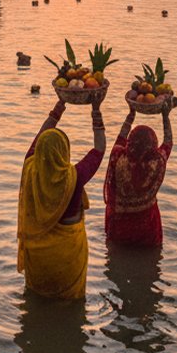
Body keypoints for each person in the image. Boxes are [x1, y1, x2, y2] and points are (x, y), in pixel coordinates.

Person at [17, 98, 106, 299]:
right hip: (67, 257)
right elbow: (99, 149)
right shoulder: (74, 177)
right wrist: (96, 109)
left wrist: (59, 107)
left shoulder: (30, 168)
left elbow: (39, 138)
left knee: (37, 301)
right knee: (70, 305)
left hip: (38, 258)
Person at [104, 103, 173, 247]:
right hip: (148, 230)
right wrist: (165, 116)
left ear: (130, 142)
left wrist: (131, 114)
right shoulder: (157, 161)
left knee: (116, 258)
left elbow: (121, 138)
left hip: (118, 229)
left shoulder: (118, 157)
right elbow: (168, 142)